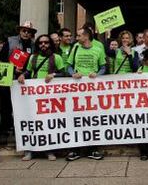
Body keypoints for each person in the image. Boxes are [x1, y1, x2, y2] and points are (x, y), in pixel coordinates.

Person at [18, 34, 65, 161]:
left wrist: (54, 75)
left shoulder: (57, 57)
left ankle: (49, 150)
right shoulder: (33, 57)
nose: (43, 45)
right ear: (37, 45)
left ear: (50, 44)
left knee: (48, 123)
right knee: (32, 122)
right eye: (40, 43)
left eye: (46, 42)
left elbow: (64, 73)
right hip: (33, 95)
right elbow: (28, 72)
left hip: (50, 96)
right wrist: (23, 75)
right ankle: (29, 150)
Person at [65, 27, 106, 161]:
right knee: (76, 118)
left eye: (79, 35)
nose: (76, 38)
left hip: (92, 90)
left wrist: (97, 74)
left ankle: (92, 149)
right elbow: (69, 65)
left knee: (92, 119)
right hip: (77, 89)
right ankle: (74, 149)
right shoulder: (76, 47)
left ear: (86, 36)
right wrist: (73, 74)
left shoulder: (98, 49)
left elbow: (104, 67)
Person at [0, 20, 37, 145]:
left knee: (22, 108)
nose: (26, 33)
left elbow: (34, 63)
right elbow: (1, 59)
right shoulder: (10, 41)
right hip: (10, 79)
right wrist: (13, 69)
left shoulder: (34, 45)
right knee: (6, 107)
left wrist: (24, 73)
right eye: (24, 31)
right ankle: (4, 133)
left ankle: (19, 133)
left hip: (25, 80)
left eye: (29, 31)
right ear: (19, 31)